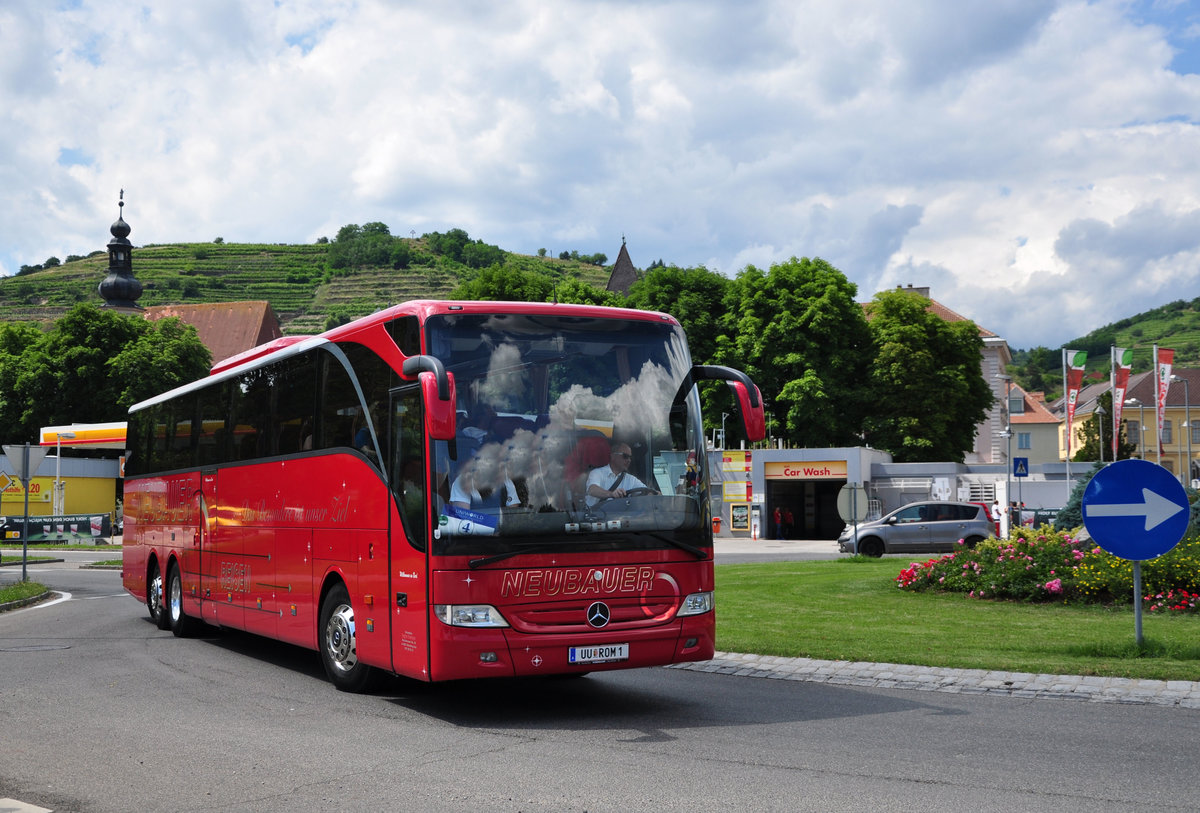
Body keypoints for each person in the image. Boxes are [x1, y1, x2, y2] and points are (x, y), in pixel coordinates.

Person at [585, 441, 650, 507]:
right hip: (597, 516)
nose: (629, 460)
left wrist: (656, 494)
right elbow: (592, 489)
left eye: (630, 457)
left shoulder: (631, 479)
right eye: (625, 456)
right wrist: (611, 494)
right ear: (613, 456)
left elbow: (647, 492)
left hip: (621, 516)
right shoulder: (597, 473)